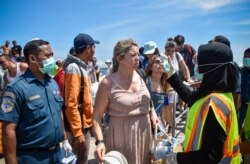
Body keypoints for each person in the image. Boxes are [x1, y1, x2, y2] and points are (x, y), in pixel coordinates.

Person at [164, 42, 241, 163]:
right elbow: (191, 98)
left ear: (210, 70)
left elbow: (211, 156)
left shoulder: (214, 104)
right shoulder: (222, 93)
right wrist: (172, 76)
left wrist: (176, 158)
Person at [0, 39, 71, 163]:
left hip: (56, 154)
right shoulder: (16, 89)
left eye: (52, 55)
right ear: (32, 59)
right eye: (47, 55)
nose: (52, 60)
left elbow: (57, 112)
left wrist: (64, 138)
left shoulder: (52, 83)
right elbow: (8, 130)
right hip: (32, 157)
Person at [93, 39, 159, 164]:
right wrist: (100, 142)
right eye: (132, 55)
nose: (137, 58)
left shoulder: (141, 74)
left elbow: (148, 99)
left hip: (144, 134)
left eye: (138, 54)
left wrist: (152, 112)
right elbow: (96, 116)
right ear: (119, 58)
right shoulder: (107, 83)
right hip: (121, 137)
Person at [63, 33, 99, 164]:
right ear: (89, 48)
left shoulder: (82, 67)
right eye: (94, 47)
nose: (94, 50)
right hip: (79, 128)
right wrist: (78, 133)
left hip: (84, 125)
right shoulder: (74, 68)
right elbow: (71, 103)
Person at [163, 40, 191, 133]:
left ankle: (171, 129)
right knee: (165, 109)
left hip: (173, 87)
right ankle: (168, 127)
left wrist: (188, 79)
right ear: (165, 49)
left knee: (170, 108)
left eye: (172, 51)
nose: (170, 53)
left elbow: (184, 67)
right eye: (168, 51)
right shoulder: (162, 57)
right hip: (164, 87)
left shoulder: (178, 55)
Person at [145, 55, 170, 122]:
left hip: (157, 121)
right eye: (157, 62)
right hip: (145, 119)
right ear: (151, 67)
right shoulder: (145, 81)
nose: (161, 64)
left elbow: (165, 104)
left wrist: (164, 121)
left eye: (162, 62)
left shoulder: (165, 83)